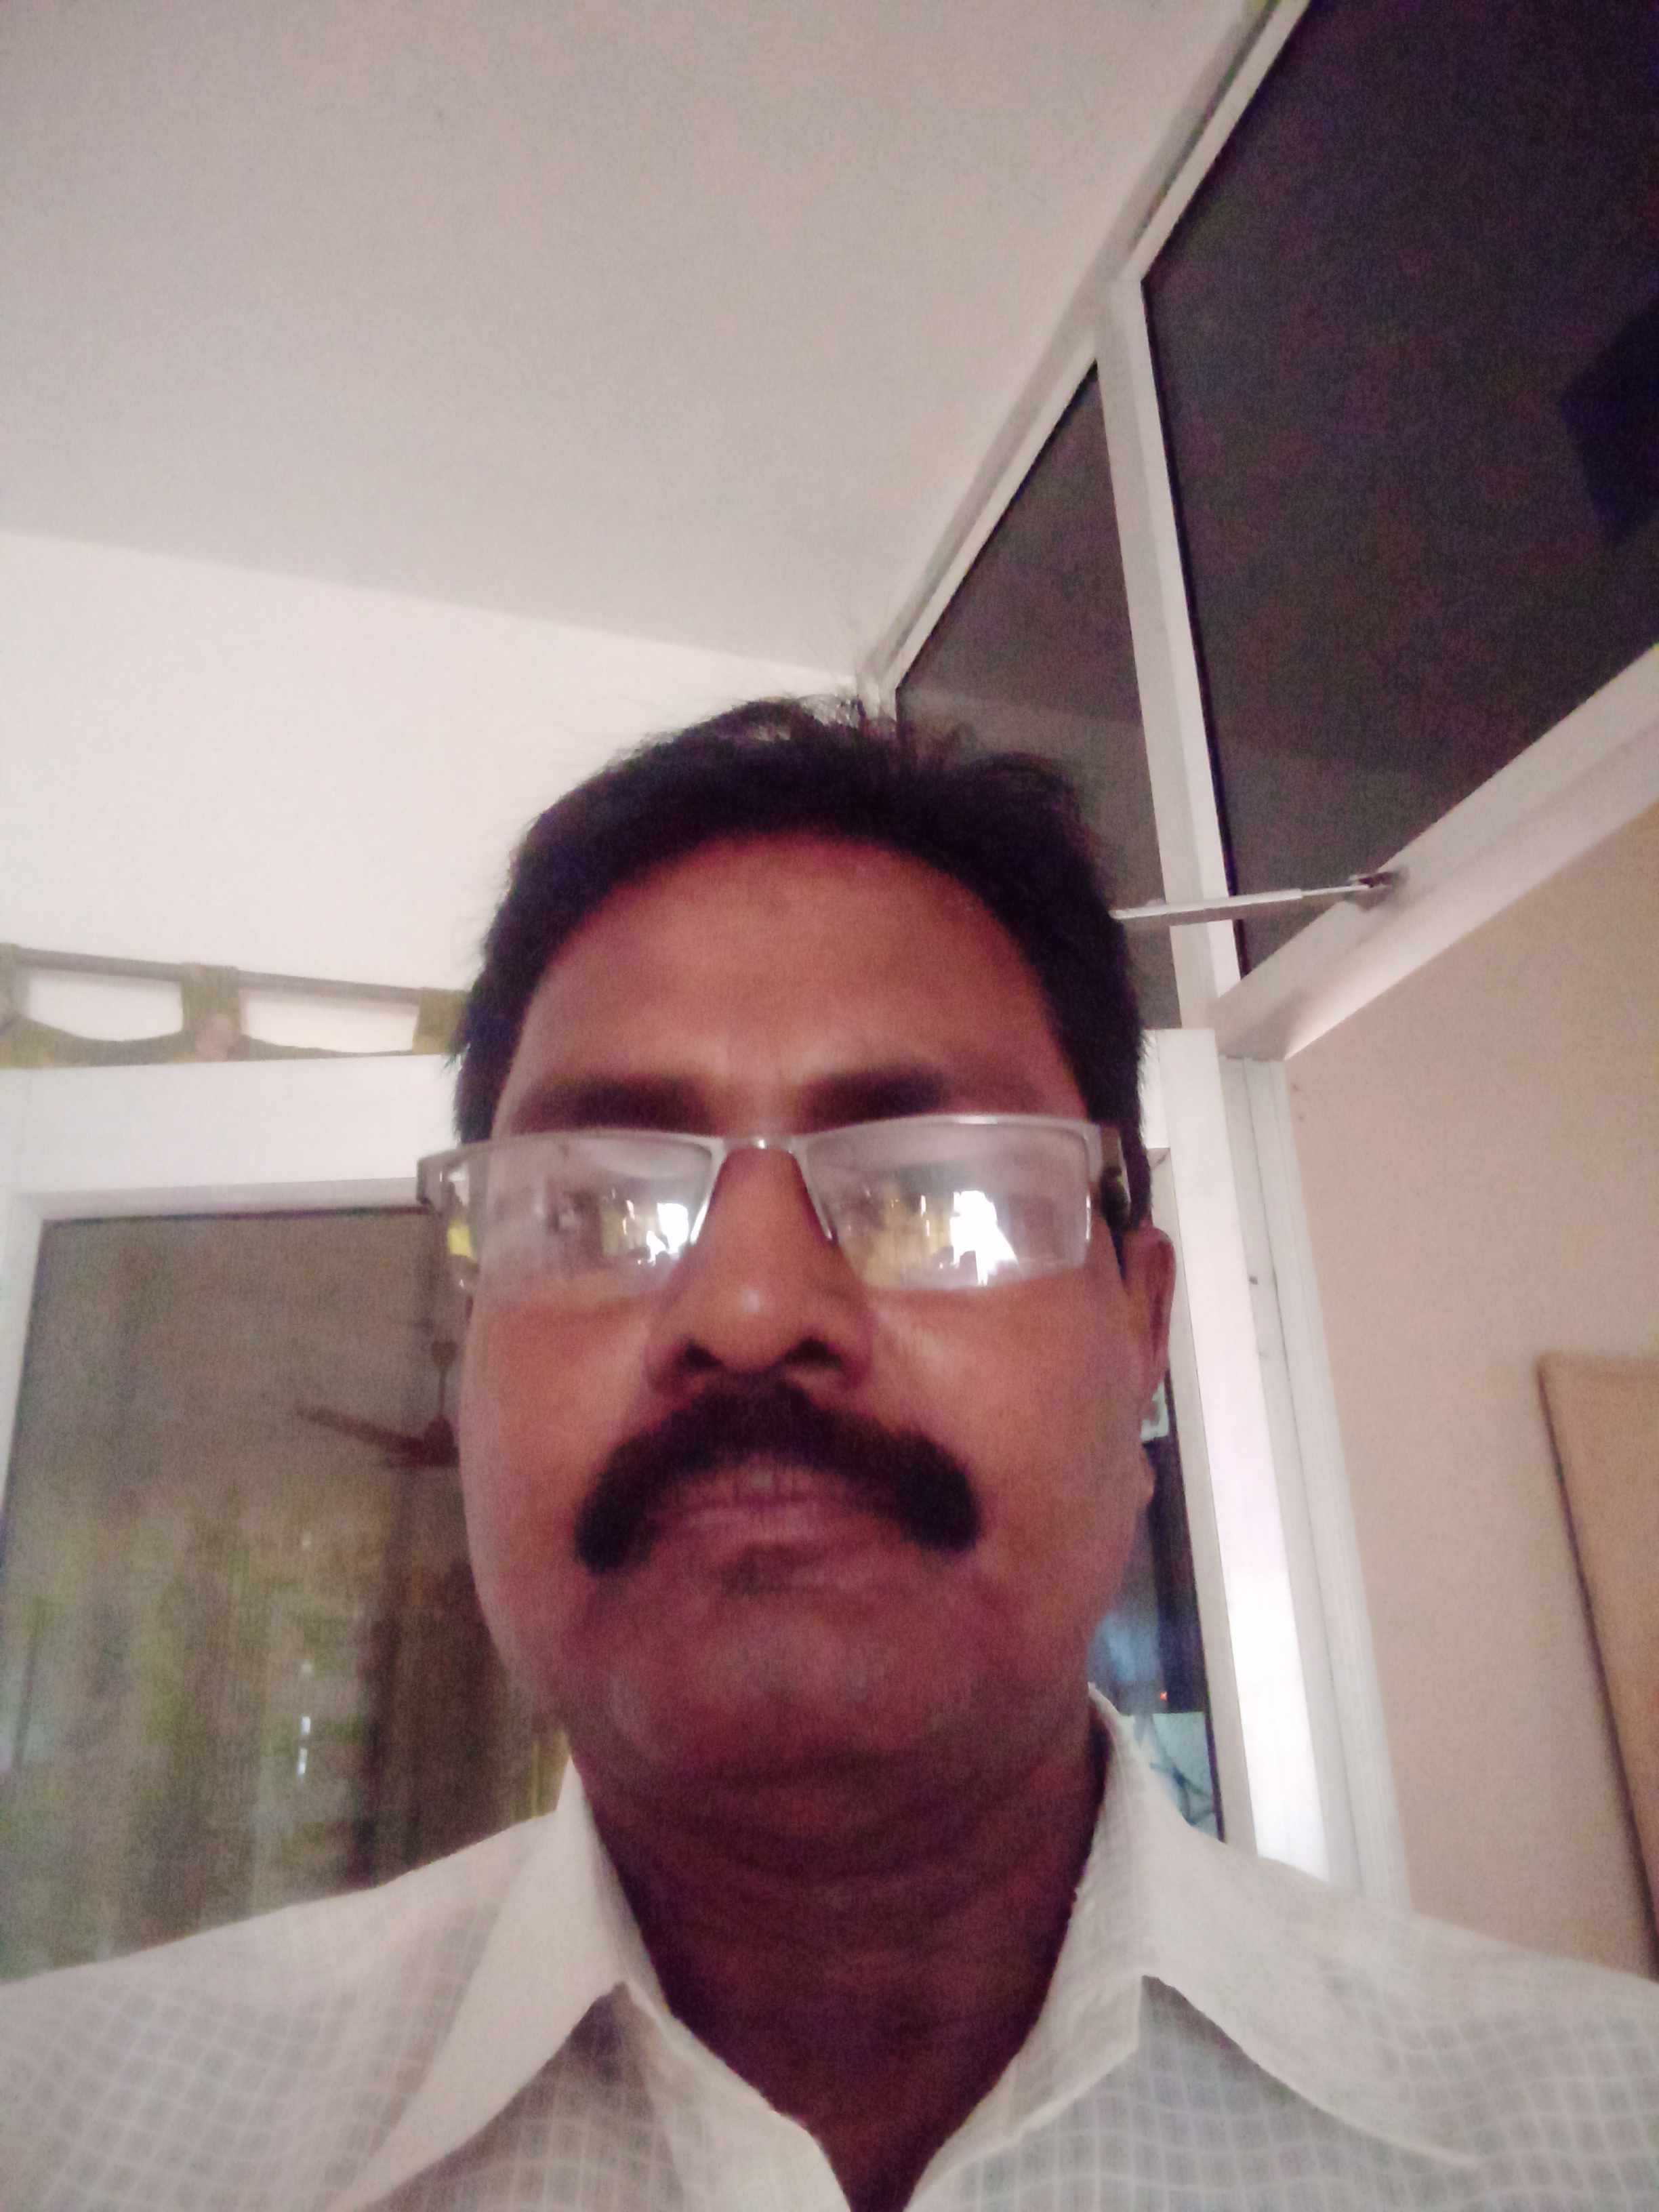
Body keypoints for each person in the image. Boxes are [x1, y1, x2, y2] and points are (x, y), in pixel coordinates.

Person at [1, 697, 1656, 2210]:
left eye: (935, 1188)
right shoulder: (64, 2140)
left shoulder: (1603, 2141)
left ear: (1141, 1334)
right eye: (592, 1207)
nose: (746, 1310)